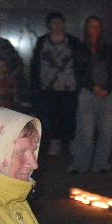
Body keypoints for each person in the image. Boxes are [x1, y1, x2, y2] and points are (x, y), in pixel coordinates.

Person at [70, 15, 112, 173]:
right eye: (92, 26)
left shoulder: (108, 48)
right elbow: (79, 72)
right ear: (86, 29)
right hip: (88, 93)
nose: (95, 30)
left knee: (106, 131)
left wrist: (109, 88)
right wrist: (93, 87)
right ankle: (80, 164)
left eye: (98, 26)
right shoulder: (79, 48)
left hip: (108, 94)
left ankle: (101, 164)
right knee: (86, 131)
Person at [29, 12, 80, 158]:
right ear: (49, 25)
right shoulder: (42, 41)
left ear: (64, 24)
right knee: (52, 117)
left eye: (60, 22)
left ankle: (71, 144)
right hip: (48, 88)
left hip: (69, 88)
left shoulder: (73, 41)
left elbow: (80, 63)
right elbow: (35, 65)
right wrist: (34, 86)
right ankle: (55, 144)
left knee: (70, 116)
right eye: (54, 22)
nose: (57, 25)